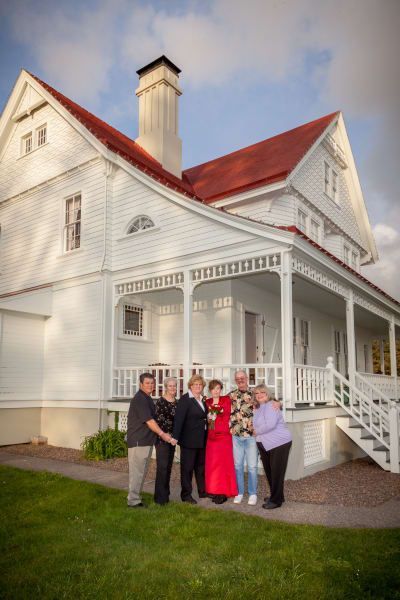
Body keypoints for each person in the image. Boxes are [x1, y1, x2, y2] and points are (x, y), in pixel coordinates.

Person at [229, 370, 281, 505]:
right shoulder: (231, 395)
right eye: (237, 378)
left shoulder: (255, 393)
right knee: (238, 466)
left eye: (242, 378)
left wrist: (278, 402)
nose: (240, 380)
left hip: (252, 436)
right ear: (235, 380)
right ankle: (240, 492)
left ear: (247, 378)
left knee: (252, 467)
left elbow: (270, 399)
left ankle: (252, 493)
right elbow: (217, 403)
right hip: (236, 436)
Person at [127, 372, 175, 508]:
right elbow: (149, 421)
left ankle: (135, 498)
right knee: (137, 473)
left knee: (141, 472)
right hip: (138, 441)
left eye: (152, 383)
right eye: (147, 383)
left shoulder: (147, 398)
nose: (150, 385)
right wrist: (163, 434)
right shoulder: (140, 399)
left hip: (145, 441)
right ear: (141, 384)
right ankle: (133, 501)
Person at [252, 384, 292, 509]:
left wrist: (256, 431)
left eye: (262, 392)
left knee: (276, 473)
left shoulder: (271, 405)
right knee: (270, 472)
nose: (259, 395)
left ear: (267, 394)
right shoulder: (258, 407)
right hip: (266, 444)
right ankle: (278, 496)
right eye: (257, 393)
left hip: (278, 443)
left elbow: (270, 424)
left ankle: (276, 501)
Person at [172, 374, 208, 504]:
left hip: (201, 440)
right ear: (190, 386)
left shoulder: (202, 399)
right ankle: (186, 495)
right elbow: (179, 419)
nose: (198, 386)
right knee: (187, 469)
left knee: (200, 467)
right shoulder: (185, 399)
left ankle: (202, 491)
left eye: (200, 385)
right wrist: (175, 437)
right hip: (188, 441)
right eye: (195, 384)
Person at [205, 379, 238, 504]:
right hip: (211, 437)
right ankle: (213, 489)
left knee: (224, 464)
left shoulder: (226, 400)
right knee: (212, 464)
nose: (216, 391)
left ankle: (224, 491)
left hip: (223, 437)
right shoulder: (207, 402)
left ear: (221, 389)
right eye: (213, 388)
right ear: (210, 390)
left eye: (218, 388)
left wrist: (276, 401)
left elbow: (227, 414)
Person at [154, 377, 178, 505]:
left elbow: (178, 422)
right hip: (162, 440)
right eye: (170, 386)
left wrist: (175, 437)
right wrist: (168, 437)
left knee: (168, 468)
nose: (173, 388)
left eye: (174, 386)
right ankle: (159, 498)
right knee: (162, 468)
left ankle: (166, 495)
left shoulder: (177, 402)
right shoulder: (161, 402)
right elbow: (159, 422)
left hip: (172, 440)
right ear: (165, 387)